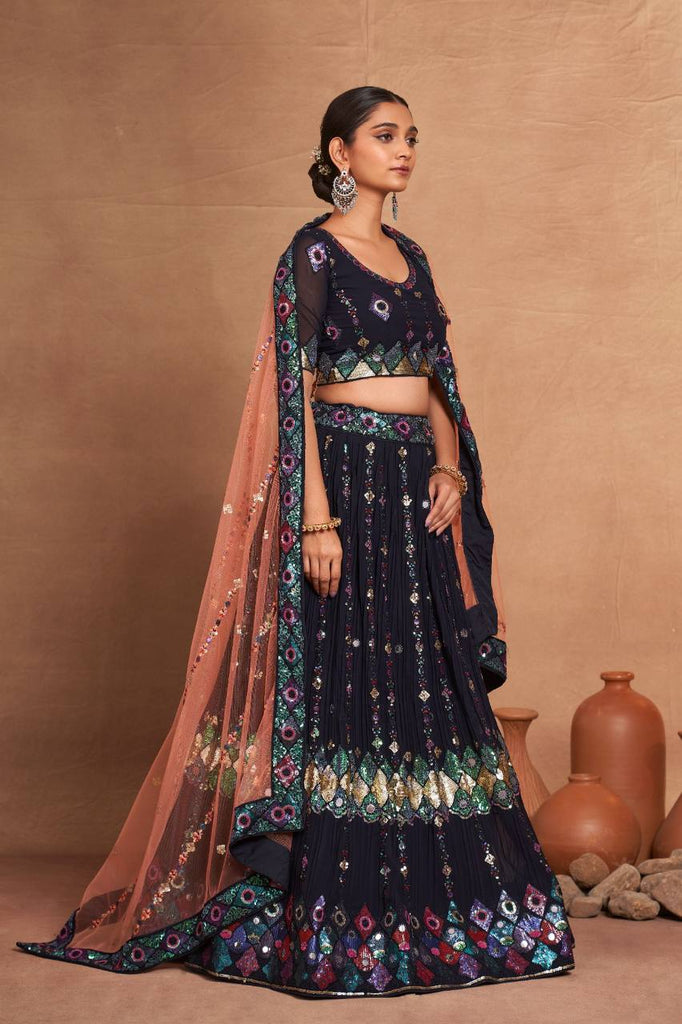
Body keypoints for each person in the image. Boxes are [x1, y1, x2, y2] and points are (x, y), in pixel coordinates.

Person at [16, 85, 576, 996]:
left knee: (423, 682)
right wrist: (315, 518)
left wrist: (449, 469)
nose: (404, 150)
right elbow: (294, 390)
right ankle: (327, 901)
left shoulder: (415, 258)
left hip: (411, 489)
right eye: (384, 136)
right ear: (340, 152)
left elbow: (439, 378)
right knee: (346, 684)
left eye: (411, 137)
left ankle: (435, 902)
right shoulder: (311, 254)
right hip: (344, 482)